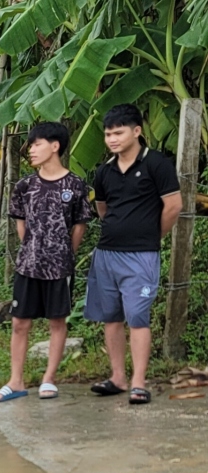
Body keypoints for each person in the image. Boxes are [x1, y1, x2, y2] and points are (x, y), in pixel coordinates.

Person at [85, 103, 182, 405]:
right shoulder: (104, 171)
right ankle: (118, 378)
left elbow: (174, 206)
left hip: (141, 255)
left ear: (137, 131)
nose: (112, 139)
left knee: (138, 317)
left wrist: (153, 236)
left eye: (118, 132)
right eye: (107, 134)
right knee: (110, 317)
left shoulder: (157, 164)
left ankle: (139, 382)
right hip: (106, 254)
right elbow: (103, 209)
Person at [0, 122, 92, 403]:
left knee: (57, 322)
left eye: (36, 144)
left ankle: (49, 379)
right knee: (19, 323)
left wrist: (62, 254)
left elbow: (79, 227)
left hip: (59, 268)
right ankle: (16, 381)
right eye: (31, 145)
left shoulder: (75, 185)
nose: (31, 150)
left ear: (55, 146)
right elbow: (20, 225)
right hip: (27, 266)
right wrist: (33, 250)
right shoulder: (25, 186)